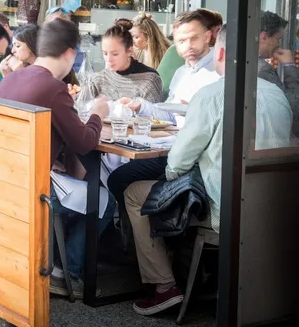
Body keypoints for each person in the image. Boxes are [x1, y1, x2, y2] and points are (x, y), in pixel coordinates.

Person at [124, 25, 291, 316]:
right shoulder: (278, 95)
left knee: (134, 193)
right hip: (272, 206)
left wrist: (171, 187)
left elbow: (177, 163)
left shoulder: (213, 95)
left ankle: (165, 287)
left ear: (221, 52)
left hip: (222, 208)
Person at [0, 18, 113, 298]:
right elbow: (84, 143)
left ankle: (60, 263)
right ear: (71, 53)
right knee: (106, 201)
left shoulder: (11, 79)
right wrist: (98, 113)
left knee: (82, 187)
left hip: (7, 178)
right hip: (37, 188)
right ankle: (65, 271)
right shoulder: (53, 88)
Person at [107, 10, 221, 212]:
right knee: (117, 175)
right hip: (172, 147)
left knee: (119, 178)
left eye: (193, 38)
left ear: (208, 36)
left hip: (197, 158)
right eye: (181, 41)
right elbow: (169, 114)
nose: (188, 46)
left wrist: (191, 110)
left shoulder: (217, 72)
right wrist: (141, 106)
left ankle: (140, 236)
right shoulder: (181, 72)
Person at [85, 22, 163, 103]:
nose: (108, 59)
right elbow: (82, 110)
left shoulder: (149, 81)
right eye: (105, 53)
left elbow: (154, 114)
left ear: (129, 51)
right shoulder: (98, 81)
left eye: (115, 54)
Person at [257, 11, 299, 130]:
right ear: (264, 36)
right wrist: (289, 65)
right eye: (278, 39)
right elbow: (294, 108)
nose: (278, 45)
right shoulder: (262, 69)